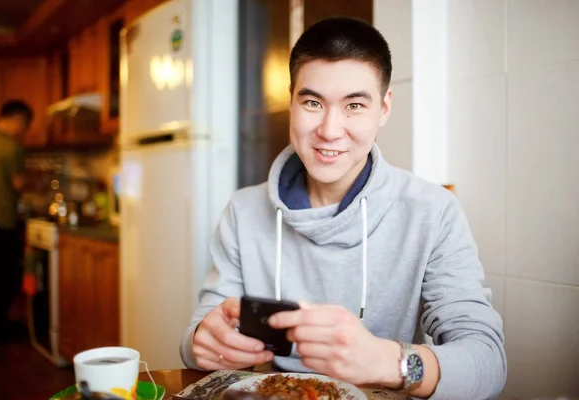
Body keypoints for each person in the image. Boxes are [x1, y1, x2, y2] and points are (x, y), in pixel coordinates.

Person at [180, 17, 506, 400]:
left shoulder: (433, 211)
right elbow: (202, 331)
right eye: (313, 102)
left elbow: (488, 361)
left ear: (383, 108)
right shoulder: (243, 210)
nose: (330, 130)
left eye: (354, 105)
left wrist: (390, 362)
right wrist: (202, 341)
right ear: (292, 102)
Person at [0, 99, 32, 340]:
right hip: (0, 221)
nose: (24, 131)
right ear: (18, 119)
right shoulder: (11, 147)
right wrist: (36, 181)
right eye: (25, 125)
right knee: (7, 277)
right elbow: (18, 183)